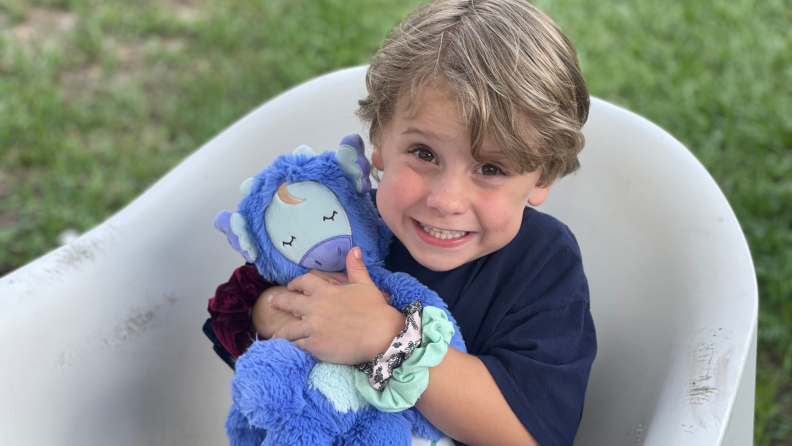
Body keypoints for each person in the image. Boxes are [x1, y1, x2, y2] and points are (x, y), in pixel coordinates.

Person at [204, 1, 596, 445]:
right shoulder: (345, 222)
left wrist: (386, 337)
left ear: (542, 176)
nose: (446, 200)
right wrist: (289, 311)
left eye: (491, 168)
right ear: (379, 142)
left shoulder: (544, 263)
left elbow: (528, 433)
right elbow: (237, 311)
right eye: (424, 154)